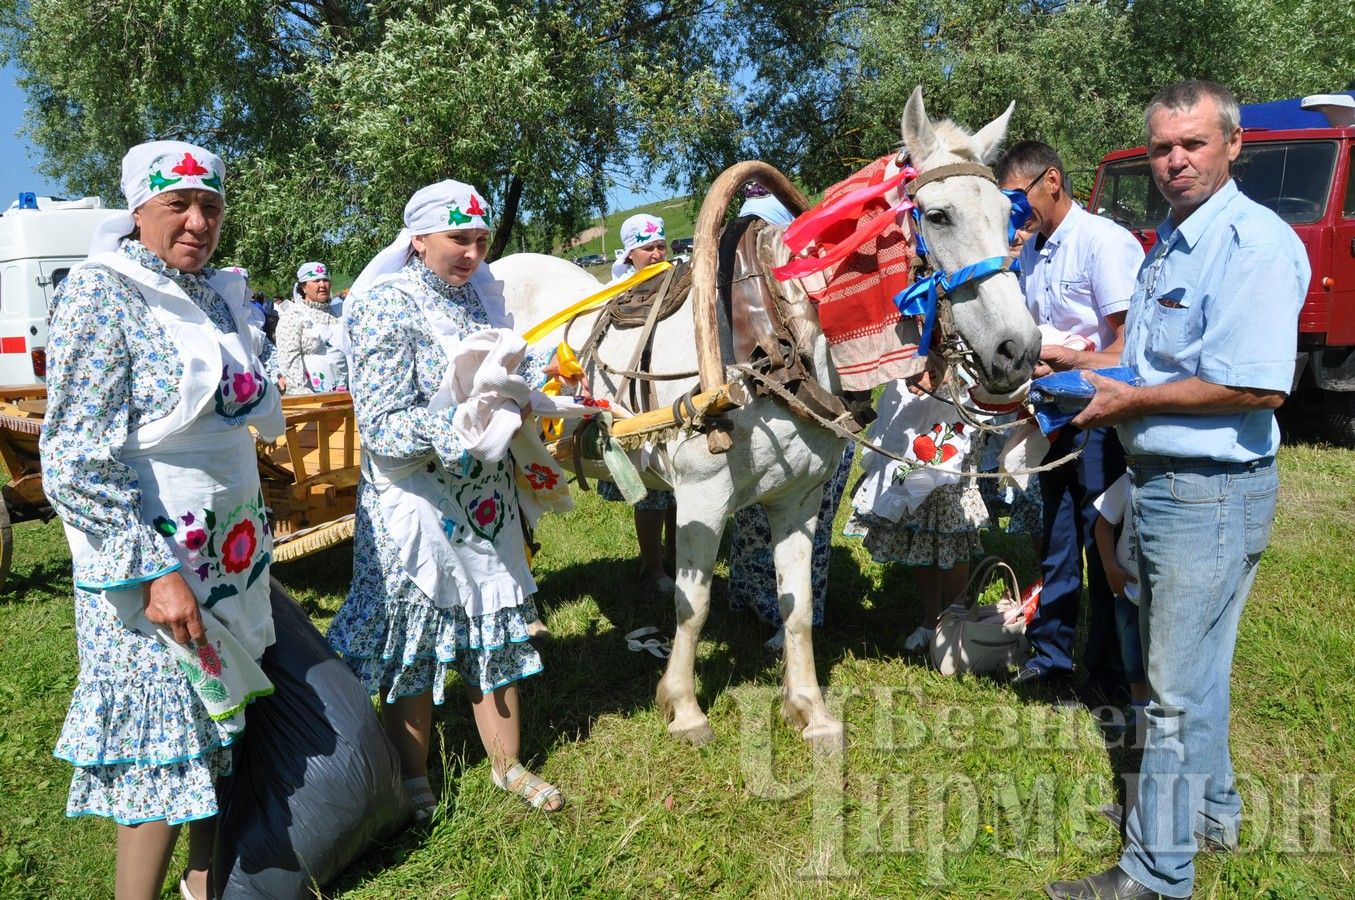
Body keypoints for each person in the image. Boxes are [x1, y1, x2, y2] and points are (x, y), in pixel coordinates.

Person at [1044, 80, 1310, 900]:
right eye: (1161, 147)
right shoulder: (1172, 241)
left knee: (1166, 695)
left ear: (1233, 145)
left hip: (1207, 495)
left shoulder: (1251, 245)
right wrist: (1079, 372)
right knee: (1198, 677)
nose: (1173, 160)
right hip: (1172, 489)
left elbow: (1255, 387)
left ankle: (1155, 875)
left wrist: (1127, 401)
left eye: (1191, 144)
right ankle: (1211, 819)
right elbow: (1158, 365)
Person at [40, 141, 283, 900]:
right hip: (155, 560)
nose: (197, 221)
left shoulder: (215, 294)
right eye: (177, 204)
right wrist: (153, 573)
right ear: (137, 211)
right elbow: (76, 456)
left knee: (220, 723)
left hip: (229, 549)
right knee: (162, 741)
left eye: (210, 205)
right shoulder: (100, 291)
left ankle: (201, 886)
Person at [327, 180, 576, 818]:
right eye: (457, 238)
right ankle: (412, 773)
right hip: (413, 496)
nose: (472, 252)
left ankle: (507, 765)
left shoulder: (480, 301)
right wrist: (468, 423)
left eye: (480, 239)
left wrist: (540, 379)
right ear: (417, 239)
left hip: (484, 499)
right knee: (419, 633)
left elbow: (500, 374)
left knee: (493, 621)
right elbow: (382, 426)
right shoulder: (387, 305)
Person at [993, 141, 1145, 693]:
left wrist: (1068, 358)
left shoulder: (1104, 245)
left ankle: (1106, 672)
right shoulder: (1031, 250)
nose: (1015, 212)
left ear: (1051, 180)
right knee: (1056, 541)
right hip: (1053, 418)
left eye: (1018, 197)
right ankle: (1051, 659)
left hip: (1103, 420)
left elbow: (1132, 353)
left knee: (1101, 541)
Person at [844, 375, 989, 650]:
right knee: (916, 512)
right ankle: (931, 619)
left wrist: (950, 372)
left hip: (958, 393)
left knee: (948, 507)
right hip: (910, 394)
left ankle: (957, 623)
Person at [598, 213, 678, 595]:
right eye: (649, 247)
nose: (658, 252)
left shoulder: (678, 282)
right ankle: (654, 567)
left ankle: (677, 558)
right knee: (652, 493)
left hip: (676, 389)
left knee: (680, 488)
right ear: (630, 253)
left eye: (662, 244)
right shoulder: (619, 292)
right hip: (637, 396)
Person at [1090, 472, 1149, 720]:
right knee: (1131, 652)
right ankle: (1138, 707)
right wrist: (1110, 568)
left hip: (1164, 595)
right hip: (1128, 590)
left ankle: (1160, 707)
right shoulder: (1128, 481)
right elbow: (1103, 525)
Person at [276, 261, 349, 394]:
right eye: (316, 281)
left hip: (346, 393)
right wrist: (304, 394)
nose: (322, 285)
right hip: (312, 396)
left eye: (325, 280)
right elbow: (289, 358)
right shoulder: (293, 315)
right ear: (303, 287)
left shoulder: (339, 312)